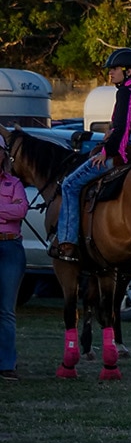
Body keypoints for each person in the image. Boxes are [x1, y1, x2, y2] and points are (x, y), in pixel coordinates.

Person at [55, 48, 131, 263]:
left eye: (114, 69)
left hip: (126, 151)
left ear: (128, 71)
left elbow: (121, 129)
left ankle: (67, 242)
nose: (110, 73)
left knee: (70, 184)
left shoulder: (125, 92)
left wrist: (107, 151)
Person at [0, 140, 26, 380]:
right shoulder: (13, 188)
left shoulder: (14, 182)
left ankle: (7, 363)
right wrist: (8, 206)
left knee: (7, 309)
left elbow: (21, 211)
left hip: (10, 245)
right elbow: (14, 209)